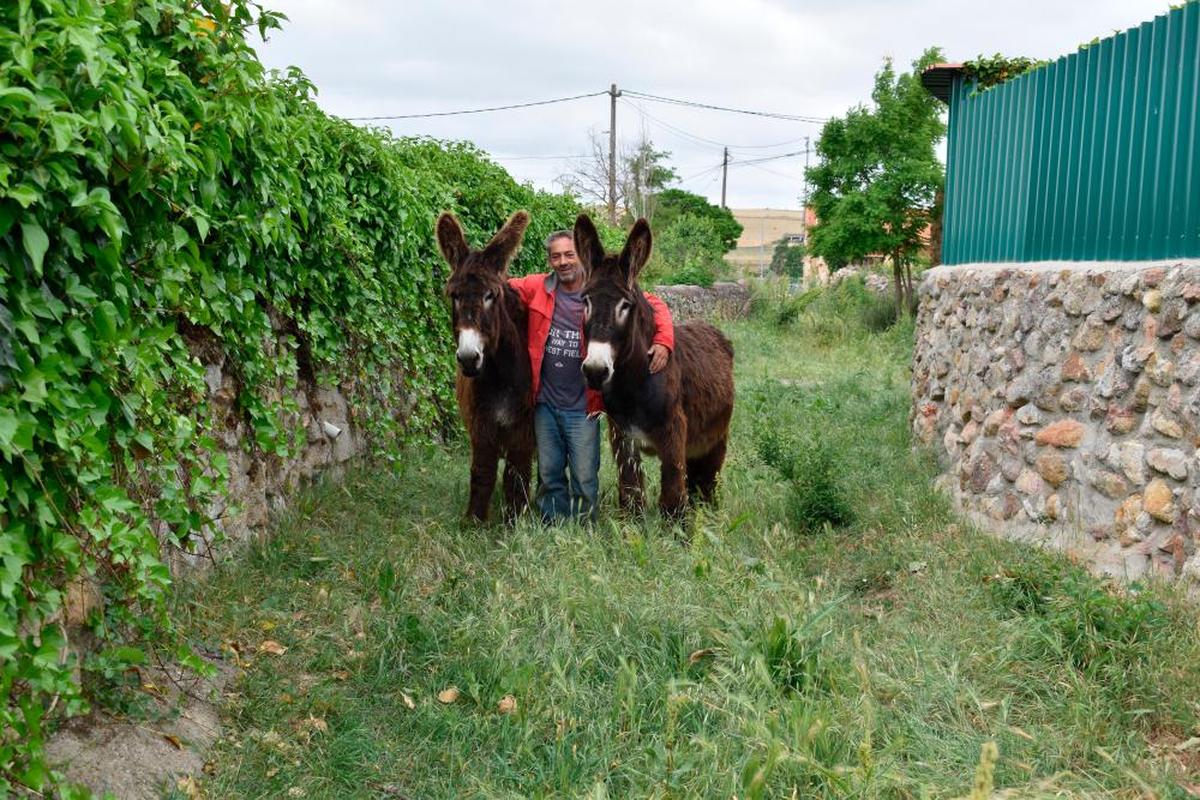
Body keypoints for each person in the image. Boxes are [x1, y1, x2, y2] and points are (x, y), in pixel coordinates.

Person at [508, 230, 674, 522]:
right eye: (556, 256)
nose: (563, 262)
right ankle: (552, 525)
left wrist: (664, 339)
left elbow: (652, 304)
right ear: (549, 260)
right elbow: (499, 288)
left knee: (585, 475)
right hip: (545, 401)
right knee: (549, 472)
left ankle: (584, 526)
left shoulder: (602, 289)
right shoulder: (538, 288)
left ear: (581, 257)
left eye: (569, 254)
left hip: (584, 405)